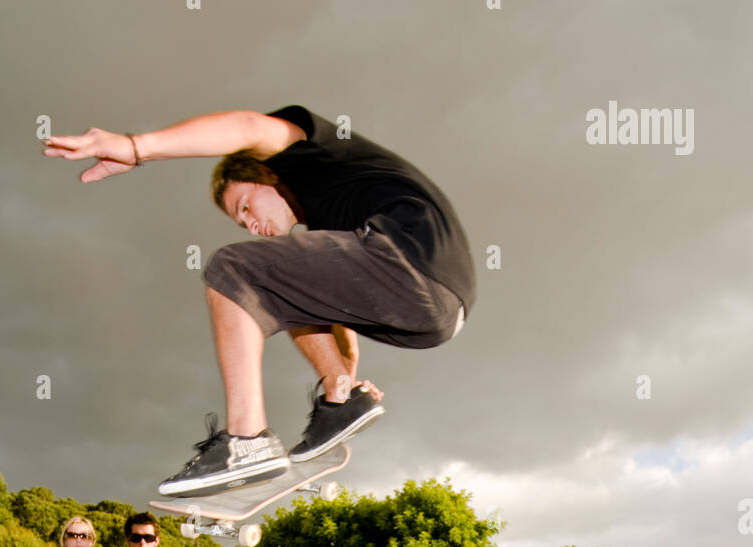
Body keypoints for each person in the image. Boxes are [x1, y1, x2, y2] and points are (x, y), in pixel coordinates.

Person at [43, 106, 476, 492]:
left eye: (246, 207)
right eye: (243, 221)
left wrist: (136, 148)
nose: (252, 225)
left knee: (232, 268)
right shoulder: (331, 230)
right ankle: (337, 404)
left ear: (266, 174)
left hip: (411, 254)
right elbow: (341, 331)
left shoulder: (306, 155)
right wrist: (343, 386)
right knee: (281, 295)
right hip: (437, 309)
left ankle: (246, 440)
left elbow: (246, 125)